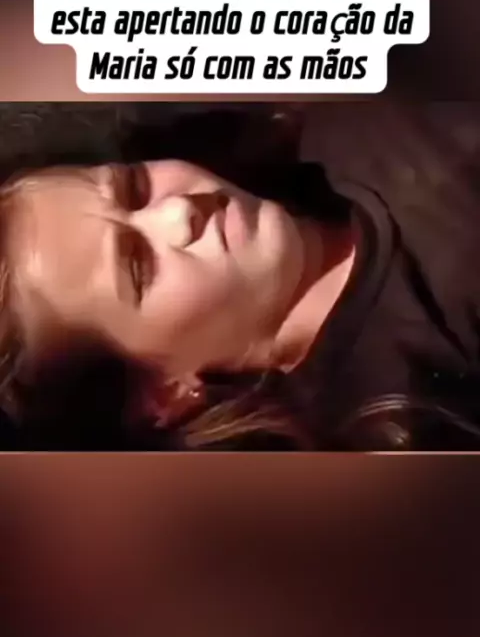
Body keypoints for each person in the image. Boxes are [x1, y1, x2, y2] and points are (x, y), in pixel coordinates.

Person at [0, 101, 480, 451]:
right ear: (164, 392)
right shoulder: (413, 414)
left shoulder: (326, 110)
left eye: (135, 187)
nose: (178, 212)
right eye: (139, 266)